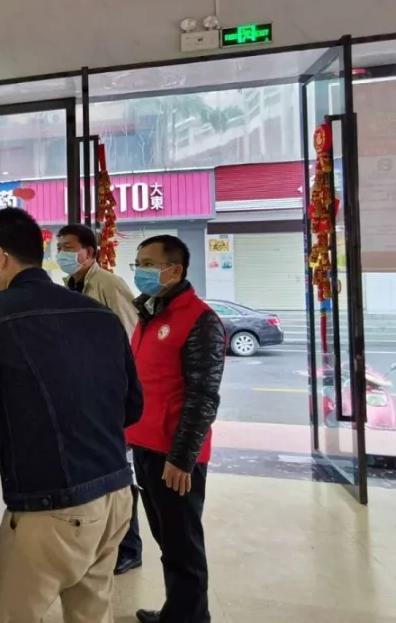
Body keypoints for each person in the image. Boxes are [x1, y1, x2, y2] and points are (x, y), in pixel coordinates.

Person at [0, 207, 143, 623]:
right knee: (90, 614)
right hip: (117, 495)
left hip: (53, 506)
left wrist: (5, 404)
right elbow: (133, 406)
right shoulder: (98, 314)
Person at [127, 235, 224, 623]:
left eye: (149, 264)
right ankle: (178, 612)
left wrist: (182, 458)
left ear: (175, 270)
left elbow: (204, 396)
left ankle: (191, 617)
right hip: (145, 445)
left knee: (183, 543)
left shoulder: (200, 320)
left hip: (175, 455)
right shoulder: (149, 313)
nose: (141, 271)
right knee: (167, 538)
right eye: (138, 263)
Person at [56, 224, 144, 576]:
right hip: (84, 391)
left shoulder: (108, 284)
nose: (62, 254)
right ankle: (102, 540)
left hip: (109, 393)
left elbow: (131, 339)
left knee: (117, 470)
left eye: (68, 247)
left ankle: (130, 547)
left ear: (89, 252)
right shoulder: (71, 286)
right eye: (59, 247)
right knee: (97, 469)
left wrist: (120, 396)